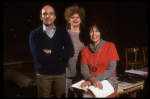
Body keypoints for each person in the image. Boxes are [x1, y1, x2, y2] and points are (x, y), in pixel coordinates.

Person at [29, 5, 74, 98]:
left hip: (60, 74)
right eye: (45, 14)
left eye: (51, 14)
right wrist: (61, 57)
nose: (48, 16)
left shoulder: (63, 31)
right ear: (41, 17)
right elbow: (39, 57)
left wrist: (50, 51)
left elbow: (70, 52)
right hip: (43, 74)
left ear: (55, 17)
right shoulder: (34, 34)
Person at [80, 21, 120, 98]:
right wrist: (91, 79)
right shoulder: (84, 50)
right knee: (85, 95)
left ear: (101, 32)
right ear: (88, 33)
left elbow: (111, 70)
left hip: (109, 79)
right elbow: (84, 71)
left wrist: (94, 79)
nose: (94, 34)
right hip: (90, 79)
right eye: (91, 31)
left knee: (92, 95)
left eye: (97, 31)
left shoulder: (110, 46)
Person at [64, 5, 87, 98]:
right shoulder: (64, 34)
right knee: (66, 94)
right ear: (68, 19)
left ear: (81, 19)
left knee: (81, 94)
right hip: (68, 71)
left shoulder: (85, 35)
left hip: (81, 70)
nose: (75, 19)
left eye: (77, 17)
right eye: (72, 17)